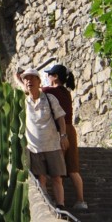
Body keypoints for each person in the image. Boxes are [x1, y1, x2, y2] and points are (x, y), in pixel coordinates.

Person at [17, 68, 69, 209]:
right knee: (41, 178)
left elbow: (60, 117)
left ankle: (61, 205)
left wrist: (63, 135)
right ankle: (47, 206)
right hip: (34, 147)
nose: (29, 81)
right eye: (26, 79)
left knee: (57, 177)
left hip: (52, 144)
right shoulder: (23, 102)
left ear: (39, 81)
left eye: (32, 78)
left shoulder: (49, 99)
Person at [44, 63, 87, 210]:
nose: (47, 78)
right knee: (73, 169)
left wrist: (19, 79)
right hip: (70, 131)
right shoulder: (66, 92)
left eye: (49, 75)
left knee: (58, 168)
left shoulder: (51, 91)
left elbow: (31, 92)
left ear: (55, 77)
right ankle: (81, 201)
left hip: (59, 131)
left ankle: (59, 202)